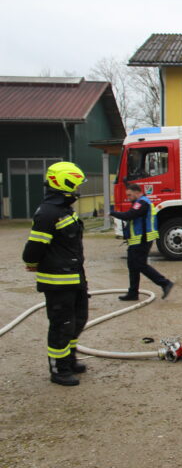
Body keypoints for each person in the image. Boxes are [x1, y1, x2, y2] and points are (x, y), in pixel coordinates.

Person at [22, 162, 89, 386]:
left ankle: (68, 360)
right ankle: (58, 369)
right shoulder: (48, 212)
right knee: (61, 325)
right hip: (57, 281)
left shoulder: (63, 209)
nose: (78, 189)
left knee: (78, 320)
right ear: (64, 182)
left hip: (74, 277)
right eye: (75, 184)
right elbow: (33, 248)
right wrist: (31, 263)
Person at [110, 183, 173, 301]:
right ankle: (133, 293)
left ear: (137, 192)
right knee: (132, 266)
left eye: (129, 195)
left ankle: (165, 283)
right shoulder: (141, 202)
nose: (128, 197)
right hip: (137, 240)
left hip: (142, 240)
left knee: (140, 265)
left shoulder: (142, 203)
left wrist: (112, 213)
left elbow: (130, 215)